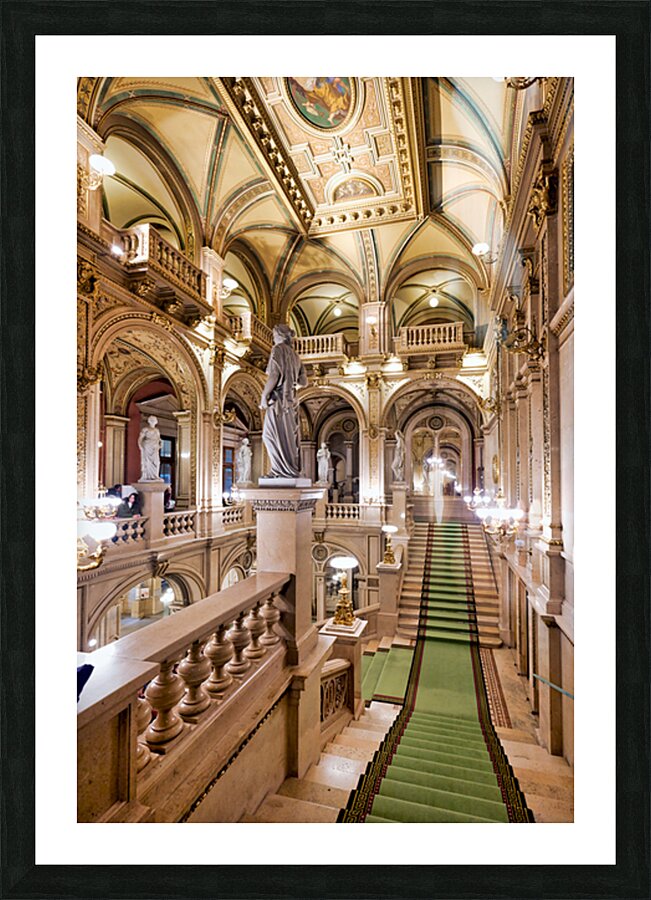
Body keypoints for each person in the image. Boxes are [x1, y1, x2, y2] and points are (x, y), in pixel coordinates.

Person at [259, 324, 308, 478]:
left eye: (274, 335)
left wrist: (264, 395)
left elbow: (273, 375)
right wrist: (291, 382)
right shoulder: (296, 356)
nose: (273, 338)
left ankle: (279, 471)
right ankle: (288, 470)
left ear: (280, 335)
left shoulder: (278, 349)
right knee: (287, 436)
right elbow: (304, 382)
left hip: (278, 401)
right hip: (291, 401)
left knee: (269, 435)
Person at [138, 415, 162, 481]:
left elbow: (159, 439)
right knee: (147, 462)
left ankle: (155, 475)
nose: (153, 421)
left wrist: (160, 443)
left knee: (156, 462)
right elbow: (140, 439)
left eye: (154, 420)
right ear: (149, 421)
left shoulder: (157, 430)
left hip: (155, 448)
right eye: (151, 420)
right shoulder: (145, 429)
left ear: (156, 422)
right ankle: (146, 476)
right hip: (147, 447)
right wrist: (140, 446)